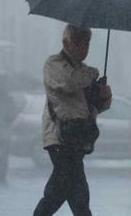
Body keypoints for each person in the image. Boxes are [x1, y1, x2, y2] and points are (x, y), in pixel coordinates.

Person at [32, 25, 112, 216]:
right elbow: (68, 82)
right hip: (60, 136)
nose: (83, 49)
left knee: (65, 189)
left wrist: (104, 95)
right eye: (78, 44)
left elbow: (94, 107)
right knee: (75, 191)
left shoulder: (85, 71)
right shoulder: (54, 64)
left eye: (86, 44)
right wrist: (92, 74)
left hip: (79, 137)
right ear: (66, 43)